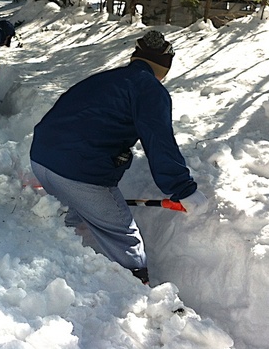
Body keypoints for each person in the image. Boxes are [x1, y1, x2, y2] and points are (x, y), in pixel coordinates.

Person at [29, 30, 208, 285]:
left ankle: (69, 232)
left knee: (86, 201)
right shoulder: (150, 90)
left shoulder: (109, 78)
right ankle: (137, 285)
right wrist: (183, 189)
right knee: (124, 234)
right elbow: (159, 142)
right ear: (164, 68)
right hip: (75, 171)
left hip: (41, 159)